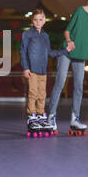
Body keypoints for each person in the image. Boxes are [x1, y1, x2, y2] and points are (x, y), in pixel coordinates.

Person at [46, 0, 88, 135]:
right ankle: (51, 116)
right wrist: (69, 41)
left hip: (80, 55)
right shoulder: (80, 11)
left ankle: (75, 118)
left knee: (79, 87)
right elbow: (67, 31)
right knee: (60, 82)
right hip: (67, 52)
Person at [20, 9, 73, 137]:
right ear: (32, 21)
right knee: (33, 93)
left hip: (43, 70)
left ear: (44, 21)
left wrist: (65, 50)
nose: (38, 22)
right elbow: (23, 51)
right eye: (35, 19)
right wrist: (25, 68)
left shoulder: (45, 36)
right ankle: (31, 116)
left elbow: (50, 52)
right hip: (32, 69)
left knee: (42, 94)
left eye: (40, 19)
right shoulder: (27, 34)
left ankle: (40, 116)